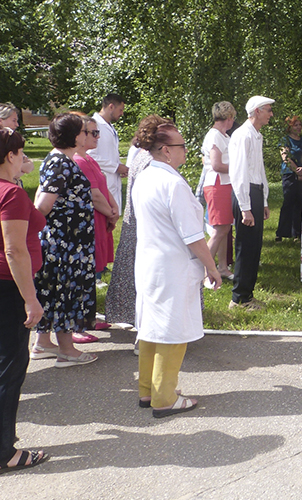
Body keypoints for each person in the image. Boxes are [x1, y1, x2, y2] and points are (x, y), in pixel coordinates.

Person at [132, 119, 221, 418]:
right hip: (172, 266)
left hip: (150, 263)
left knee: (151, 327)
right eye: (182, 146)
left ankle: (148, 389)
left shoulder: (145, 177)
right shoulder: (173, 184)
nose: (187, 151)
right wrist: (212, 267)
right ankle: (165, 397)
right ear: (167, 150)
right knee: (173, 331)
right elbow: (193, 236)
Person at [30, 113, 97, 367]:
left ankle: (43, 343)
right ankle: (67, 350)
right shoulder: (61, 163)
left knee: (53, 290)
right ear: (74, 136)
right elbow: (43, 204)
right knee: (66, 291)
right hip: (65, 243)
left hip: (67, 241)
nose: (86, 135)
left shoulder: (57, 159)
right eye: (83, 131)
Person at [0, 127, 49, 473]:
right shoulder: (11, 194)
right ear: (10, 155)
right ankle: (5, 452)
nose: (24, 159)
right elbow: (15, 250)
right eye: (21, 153)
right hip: (8, 287)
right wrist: (30, 299)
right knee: (10, 367)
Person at [105, 117, 164, 329]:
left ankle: (136, 319)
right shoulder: (150, 161)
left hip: (133, 221)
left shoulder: (140, 155)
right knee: (142, 275)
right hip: (143, 223)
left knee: (132, 272)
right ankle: (143, 324)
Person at [72, 114, 119, 337]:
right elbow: (94, 194)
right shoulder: (79, 161)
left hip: (100, 220)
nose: (97, 137)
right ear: (79, 135)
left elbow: (103, 187)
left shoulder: (89, 159)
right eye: (93, 132)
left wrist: (114, 207)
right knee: (83, 273)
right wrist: (111, 213)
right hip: (90, 221)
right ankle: (78, 324)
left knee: (92, 271)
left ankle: (89, 318)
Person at [228, 95, 273, 311]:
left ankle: (247, 294)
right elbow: (239, 173)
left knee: (254, 247)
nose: (271, 114)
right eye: (268, 110)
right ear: (257, 111)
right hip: (244, 193)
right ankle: (239, 298)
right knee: (245, 247)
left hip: (254, 192)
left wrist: (263, 200)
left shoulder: (256, 135)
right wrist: (245, 207)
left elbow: (259, 170)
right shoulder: (243, 135)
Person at [202, 102, 237, 279]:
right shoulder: (214, 135)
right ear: (228, 117)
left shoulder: (224, 136)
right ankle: (204, 270)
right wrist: (238, 168)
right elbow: (216, 165)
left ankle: (222, 267)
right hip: (217, 185)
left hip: (225, 184)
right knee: (219, 230)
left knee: (225, 228)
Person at [87, 94, 127, 211]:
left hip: (112, 181)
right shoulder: (94, 126)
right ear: (111, 107)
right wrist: (116, 167)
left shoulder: (110, 127)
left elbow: (110, 153)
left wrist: (120, 167)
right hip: (101, 182)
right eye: (120, 110)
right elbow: (89, 156)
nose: (122, 113)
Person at [276, 115, 302, 241]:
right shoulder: (285, 140)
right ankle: (281, 233)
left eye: (300, 125)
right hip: (289, 174)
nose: (298, 127)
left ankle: (297, 233)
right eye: (295, 125)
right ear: (289, 127)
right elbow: (286, 158)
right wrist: (296, 171)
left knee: (300, 203)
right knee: (288, 202)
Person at [0, 103, 35, 185]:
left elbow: (30, 166)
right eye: (14, 120)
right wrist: (20, 167)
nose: (17, 124)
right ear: (0, 121)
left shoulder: (12, 142)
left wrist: (17, 167)